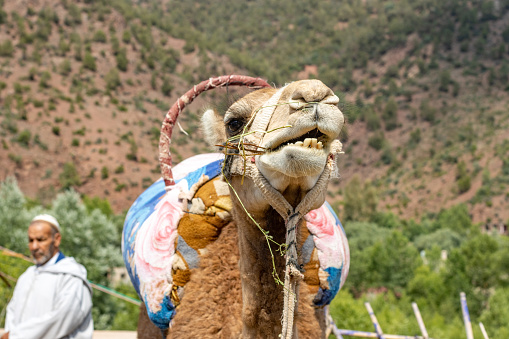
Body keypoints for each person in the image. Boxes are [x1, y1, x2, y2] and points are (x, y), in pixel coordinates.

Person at [2, 214, 93, 339]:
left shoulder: (70, 276)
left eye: (40, 240)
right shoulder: (27, 276)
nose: (34, 247)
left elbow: (62, 317)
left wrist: (16, 336)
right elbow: (12, 314)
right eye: (31, 240)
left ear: (56, 239)